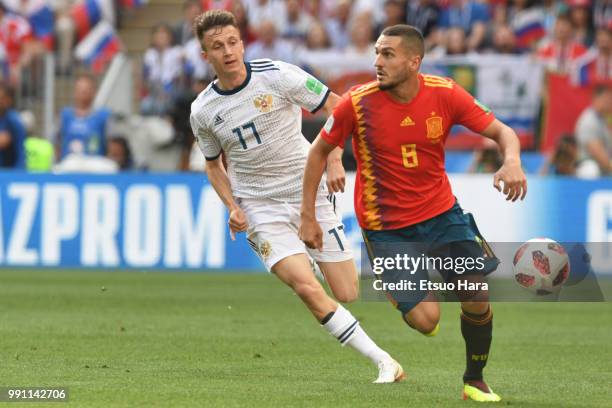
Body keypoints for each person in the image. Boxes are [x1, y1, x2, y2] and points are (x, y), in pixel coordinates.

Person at [300, 25, 528, 402]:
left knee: (476, 293)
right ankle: (403, 285)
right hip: (388, 228)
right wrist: (308, 215)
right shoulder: (357, 102)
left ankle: (475, 380)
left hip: (442, 215)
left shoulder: (446, 93)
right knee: (427, 321)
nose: (377, 62)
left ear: (413, 61)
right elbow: (317, 153)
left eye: (387, 54)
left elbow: (503, 132)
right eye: (376, 52)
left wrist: (513, 161)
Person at [189, 10, 403, 383]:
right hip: (258, 205)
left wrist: (335, 157)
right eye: (217, 47)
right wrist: (233, 206)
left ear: (242, 42)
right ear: (205, 55)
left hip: (309, 189)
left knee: (347, 291)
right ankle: (384, 361)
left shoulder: (277, 75)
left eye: (232, 42)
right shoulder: (203, 110)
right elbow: (212, 166)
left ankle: (315, 258)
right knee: (305, 287)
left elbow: (338, 107)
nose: (227, 52)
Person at [57, 74, 111, 159]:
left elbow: (111, 143)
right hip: (69, 165)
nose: (83, 92)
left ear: (93, 92)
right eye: (80, 89)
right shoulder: (65, 115)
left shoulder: (103, 116)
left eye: (86, 89)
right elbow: (56, 141)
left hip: (95, 164)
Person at [575, 84, 612, 177]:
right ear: (596, 99)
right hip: (587, 165)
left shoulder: (602, 119)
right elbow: (599, 156)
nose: (610, 103)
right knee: (591, 170)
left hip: (604, 167)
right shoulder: (589, 121)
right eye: (606, 100)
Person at [0, 83, 26, 168]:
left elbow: (21, 152)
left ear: (8, 100)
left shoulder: (13, 120)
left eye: (1, 98)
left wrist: (17, 175)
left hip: (9, 173)